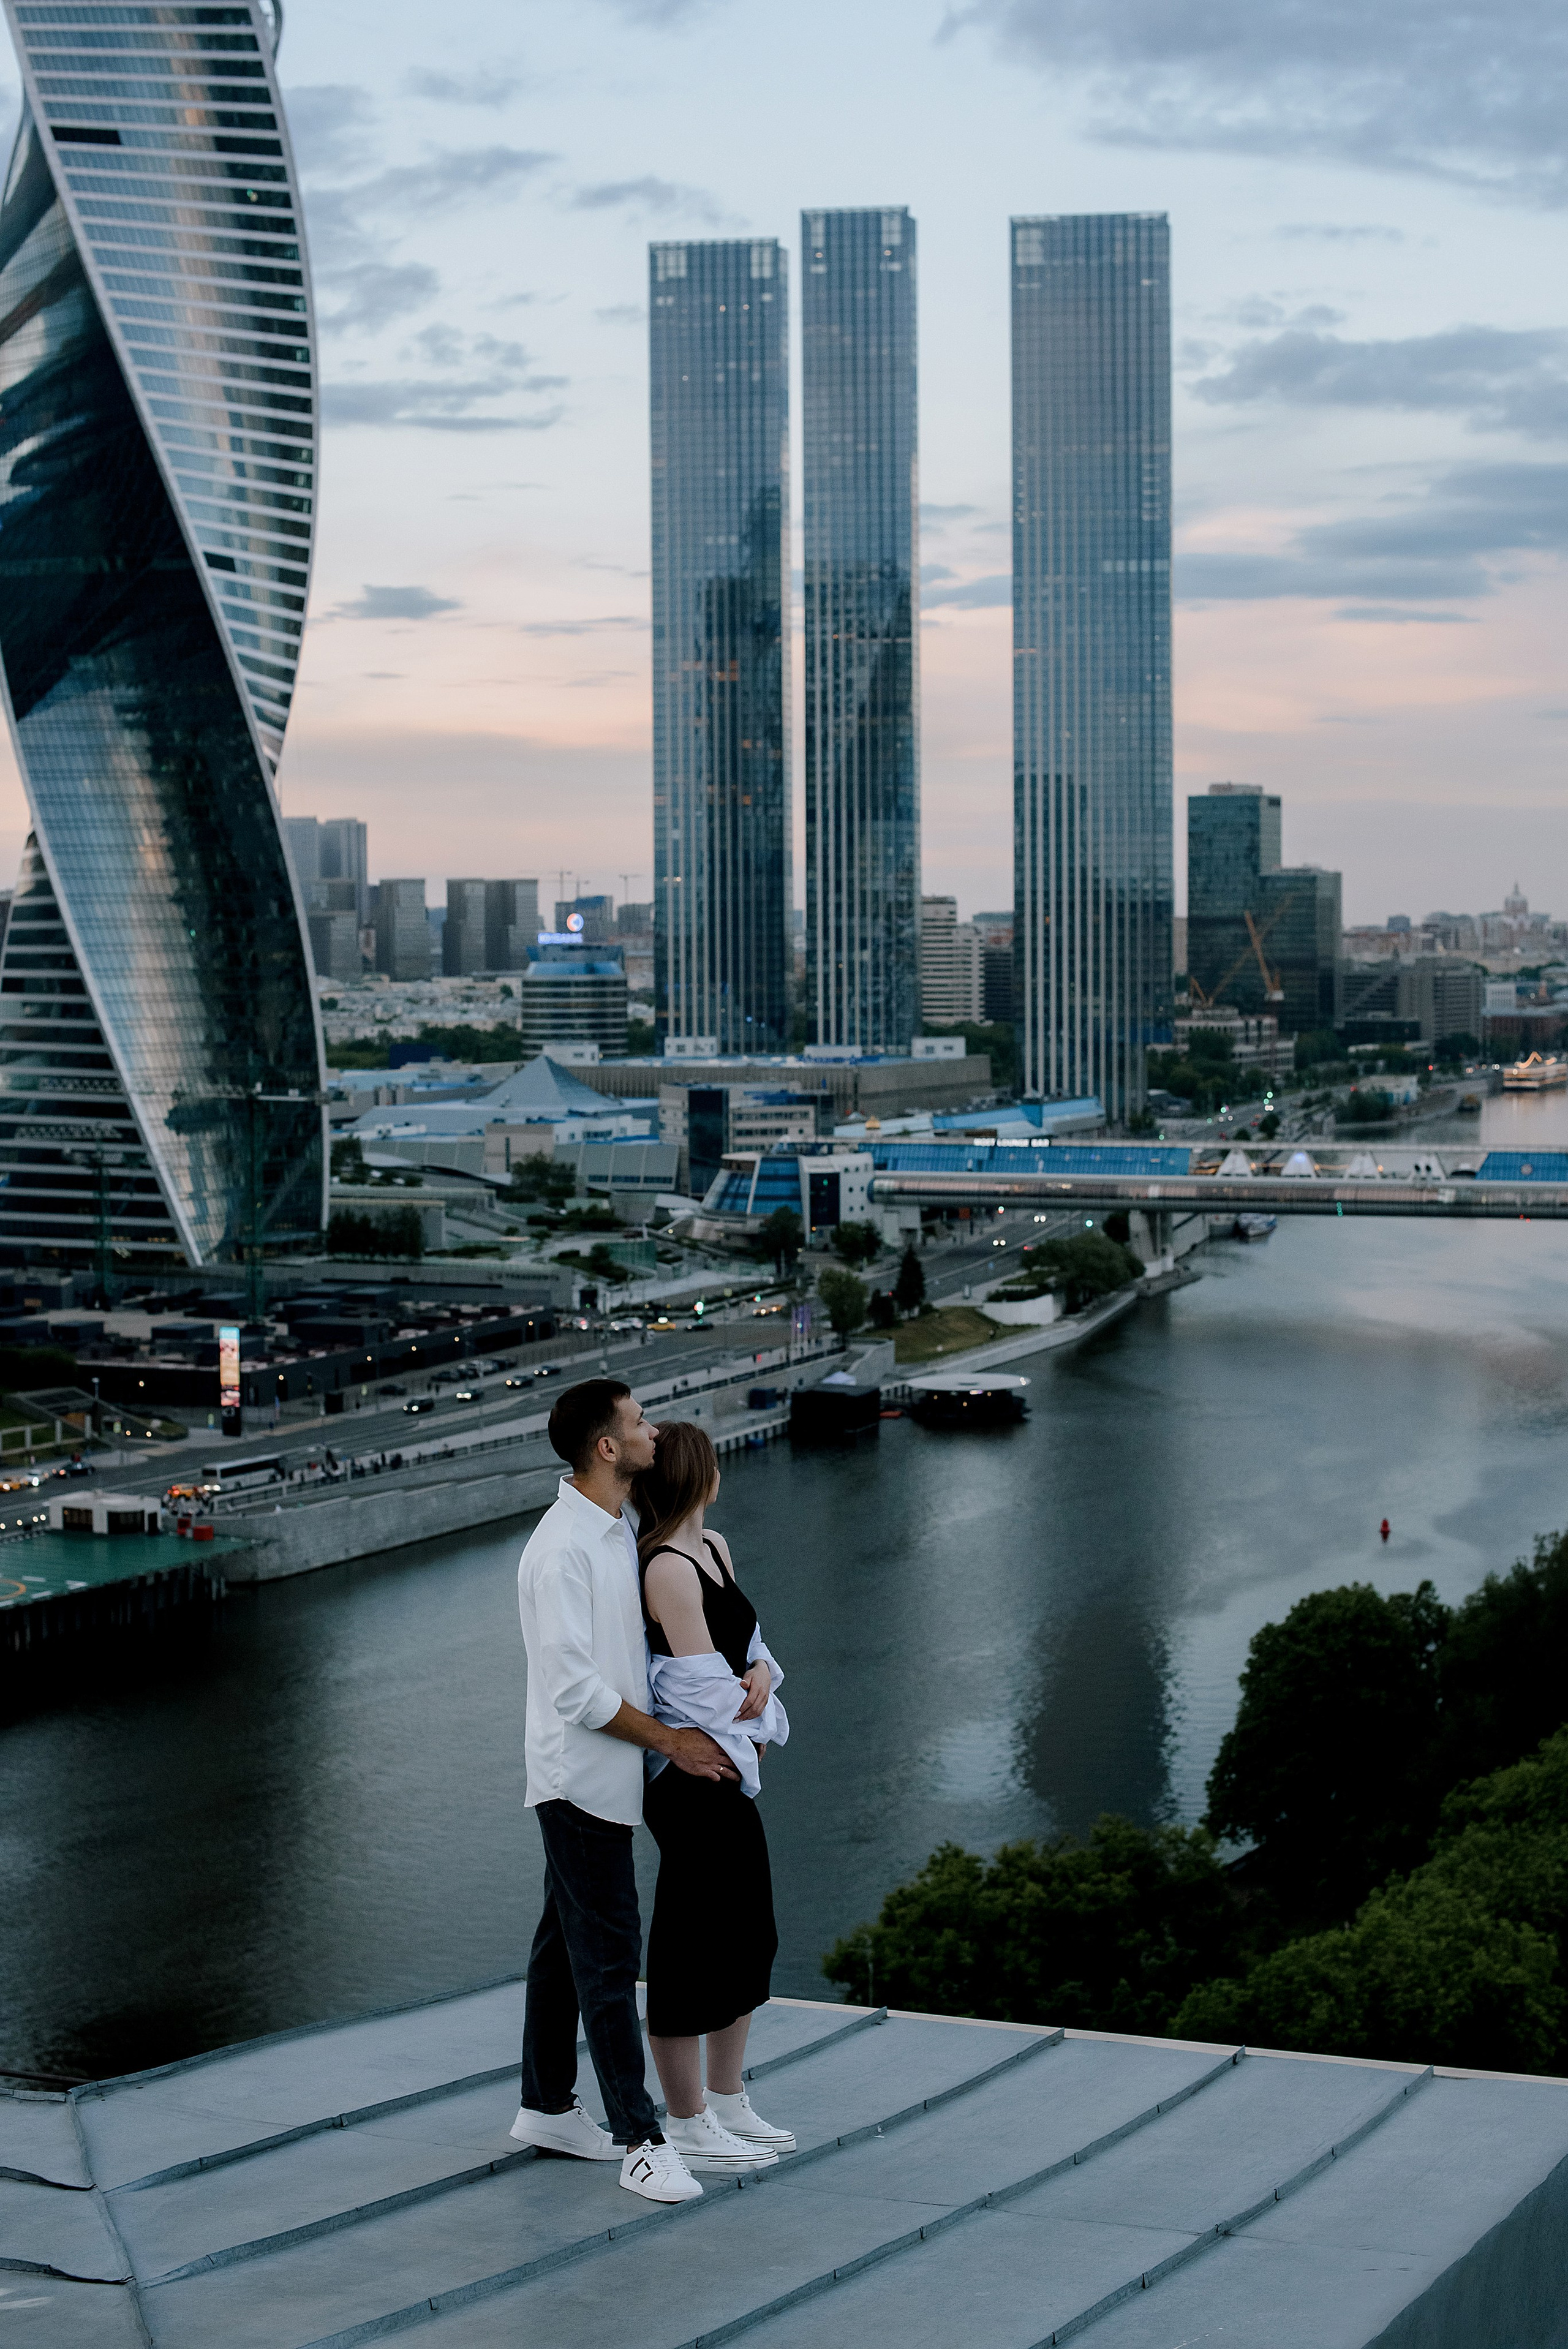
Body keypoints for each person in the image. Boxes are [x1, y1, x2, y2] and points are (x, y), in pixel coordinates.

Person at [512, 1379, 752, 2206]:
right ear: (607, 1447)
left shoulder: (616, 1528)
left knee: (562, 1944)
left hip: (612, 1777)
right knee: (610, 1956)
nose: (655, 1428)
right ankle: (641, 2139)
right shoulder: (561, 1550)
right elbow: (578, 1691)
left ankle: (545, 2104)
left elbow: (644, 1655)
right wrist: (675, 1741)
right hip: (580, 1781)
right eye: (640, 1420)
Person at [631, 1421, 796, 2171]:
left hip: (727, 1771)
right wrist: (754, 1703)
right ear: (701, 1473)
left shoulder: (715, 1548)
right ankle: (688, 2117)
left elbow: (750, 1654)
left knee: (746, 1931)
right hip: (694, 1782)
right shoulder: (666, 1567)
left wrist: (764, 1679)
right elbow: (704, 1695)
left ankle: (727, 2098)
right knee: (689, 1944)